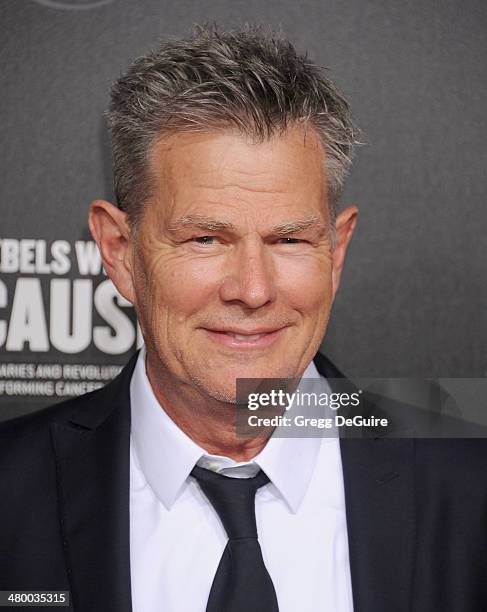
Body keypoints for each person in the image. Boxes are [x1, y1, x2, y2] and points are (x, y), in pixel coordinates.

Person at [1, 24, 486, 612]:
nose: (253, 290)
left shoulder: (469, 486)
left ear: (335, 254)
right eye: (205, 238)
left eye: (289, 240)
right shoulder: (11, 489)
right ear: (119, 252)